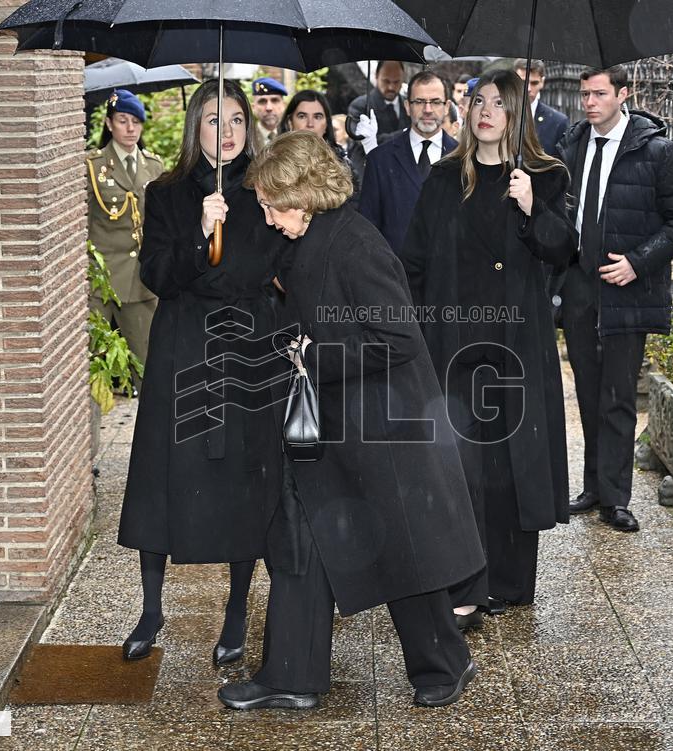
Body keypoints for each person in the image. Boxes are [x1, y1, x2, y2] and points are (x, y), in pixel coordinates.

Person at [218, 131, 485, 711]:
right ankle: (292, 675)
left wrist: (312, 356)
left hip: (383, 426)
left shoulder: (358, 245)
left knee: (403, 553)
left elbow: (399, 340)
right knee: (300, 540)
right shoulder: (308, 235)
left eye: (271, 204)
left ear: (307, 194)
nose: (266, 217)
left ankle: (446, 662)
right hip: (335, 422)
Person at [117, 79, 289, 667]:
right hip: (184, 344)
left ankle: (238, 610)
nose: (230, 131)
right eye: (216, 120)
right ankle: (150, 608)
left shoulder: (271, 189)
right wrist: (198, 233)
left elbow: (278, 265)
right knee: (165, 473)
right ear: (197, 127)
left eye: (238, 119)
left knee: (245, 477)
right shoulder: (165, 192)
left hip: (247, 345)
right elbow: (157, 275)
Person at [400, 69, 575, 627]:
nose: (486, 111)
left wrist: (532, 208)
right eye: (479, 101)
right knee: (462, 466)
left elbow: (564, 250)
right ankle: (467, 584)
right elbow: (415, 260)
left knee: (512, 465)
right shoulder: (445, 177)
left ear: (518, 112)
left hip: (516, 346)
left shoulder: (544, 176)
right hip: (455, 342)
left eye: (500, 102)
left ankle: (511, 580)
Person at [554, 65, 673, 532]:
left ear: (623, 95)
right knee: (588, 392)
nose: (590, 102)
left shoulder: (655, 150)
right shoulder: (572, 144)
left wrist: (637, 261)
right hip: (579, 286)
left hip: (627, 288)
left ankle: (616, 498)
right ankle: (593, 486)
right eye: (585, 94)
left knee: (617, 395)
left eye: (599, 94)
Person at [86, 89, 165, 382]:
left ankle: (151, 427)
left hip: (141, 281)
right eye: (122, 121)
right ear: (108, 124)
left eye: (136, 121)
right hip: (102, 281)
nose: (131, 129)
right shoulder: (92, 166)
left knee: (149, 365)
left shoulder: (154, 167)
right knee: (91, 366)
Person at [359, 71, 458, 255]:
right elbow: (368, 228)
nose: (427, 109)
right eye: (419, 102)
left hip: (449, 275)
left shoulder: (464, 159)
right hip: (394, 275)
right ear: (407, 106)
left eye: (435, 102)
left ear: (447, 107)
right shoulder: (380, 159)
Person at [278, 89, 360, 196]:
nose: (310, 124)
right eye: (302, 116)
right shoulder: (274, 162)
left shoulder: (343, 165)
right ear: (289, 122)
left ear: (326, 124)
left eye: (317, 117)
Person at [345, 60, 411, 174]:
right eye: (386, 81)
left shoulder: (408, 106)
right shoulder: (360, 106)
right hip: (368, 173)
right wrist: (406, 134)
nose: (391, 87)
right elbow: (361, 139)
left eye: (396, 82)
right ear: (376, 76)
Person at [514, 58, 570, 158]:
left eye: (534, 83)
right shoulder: (499, 115)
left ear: (542, 82)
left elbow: (561, 166)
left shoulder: (557, 122)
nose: (528, 89)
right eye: (523, 82)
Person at [252, 77, 287, 144]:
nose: (269, 108)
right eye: (262, 101)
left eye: (275, 100)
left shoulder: (292, 135)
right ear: (253, 107)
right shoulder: (246, 138)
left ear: (284, 105)